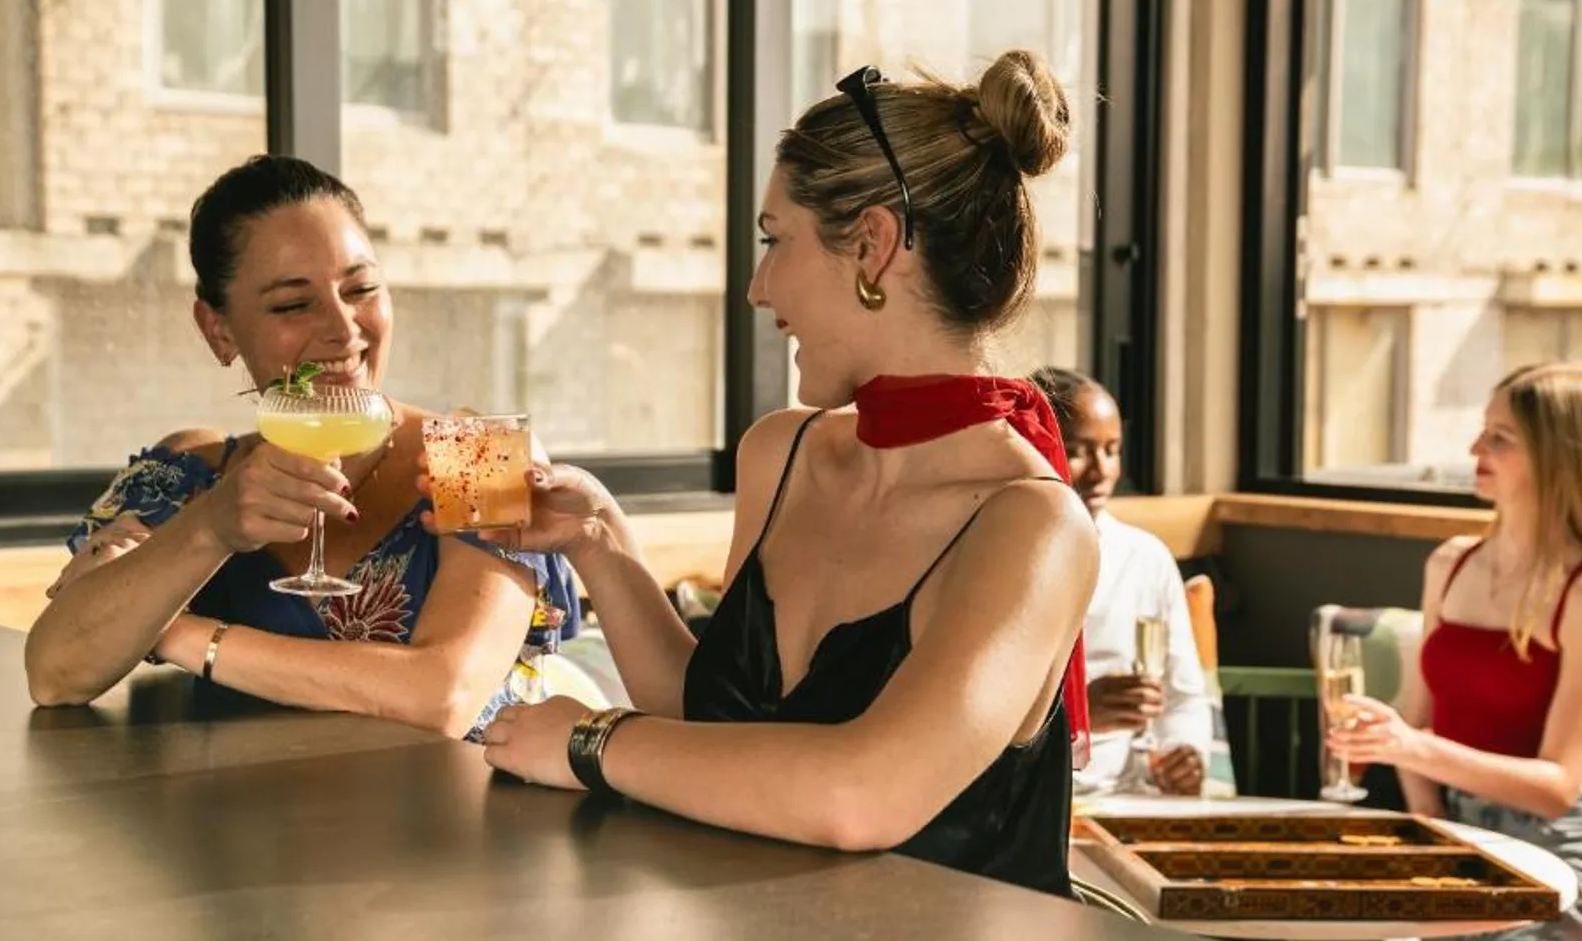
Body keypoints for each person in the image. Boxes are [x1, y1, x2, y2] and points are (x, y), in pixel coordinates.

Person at [440, 51, 1099, 897]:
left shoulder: (1033, 528)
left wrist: (590, 739)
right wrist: (597, 542)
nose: (757, 289)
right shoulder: (781, 454)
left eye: (774, 241)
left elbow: (863, 795)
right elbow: (715, 733)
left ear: (872, 246)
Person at [24, 155, 580, 742]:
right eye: (293, 304)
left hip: (457, 800)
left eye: (361, 289)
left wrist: (176, 633)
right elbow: (55, 674)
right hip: (237, 801)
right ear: (218, 330)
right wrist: (209, 527)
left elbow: (444, 697)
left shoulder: (478, 454)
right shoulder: (186, 475)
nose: (343, 328)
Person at [1328, 362, 1582, 941]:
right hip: (1463, 836)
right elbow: (1419, 718)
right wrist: (1432, 831)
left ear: (1558, 457)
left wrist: (1412, 746)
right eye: (1482, 430)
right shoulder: (1449, 564)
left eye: (1500, 438)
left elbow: (1558, 786)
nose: (1475, 448)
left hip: (1566, 855)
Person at [1032, 367, 1210, 796]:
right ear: (1034, 448)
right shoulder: (996, 558)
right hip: (1030, 799)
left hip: (1125, 795)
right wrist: (1076, 717)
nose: (1101, 471)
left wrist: (1184, 753)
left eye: (1112, 450)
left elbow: (1182, 696)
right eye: (1077, 451)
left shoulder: (1146, 558)